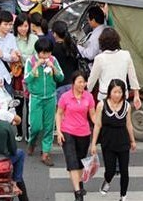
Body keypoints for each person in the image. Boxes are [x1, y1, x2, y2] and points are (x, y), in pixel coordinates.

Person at [89, 79, 137, 200]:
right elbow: (98, 125)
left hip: (123, 141)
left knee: (124, 171)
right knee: (110, 170)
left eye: (120, 92)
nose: (117, 95)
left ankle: (123, 196)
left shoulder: (126, 106)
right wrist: (93, 143)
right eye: (115, 92)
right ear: (110, 92)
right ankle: (107, 180)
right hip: (108, 142)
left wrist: (132, 141)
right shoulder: (101, 105)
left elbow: (129, 124)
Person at [56, 71, 96, 201]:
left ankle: (79, 183)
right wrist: (59, 131)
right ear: (73, 83)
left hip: (84, 133)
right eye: (79, 82)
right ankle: (78, 193)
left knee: (80, 162)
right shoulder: (65, 97)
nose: (82, 84)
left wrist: (101, 126)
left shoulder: (89, 97)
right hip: (68, 131)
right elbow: (59, 114)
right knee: (72, 162)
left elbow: (93, 115)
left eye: (84, 82)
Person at [25, 36, 63, 166]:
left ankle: (46, 153)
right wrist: (36, 67)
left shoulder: (53, 60)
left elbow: (60, 77)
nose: (45, 55)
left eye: (48, 52)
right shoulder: (30, 61)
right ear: (38, 52)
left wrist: (53, 68)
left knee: (48, 127)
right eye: (42, 52)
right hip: (36, 98)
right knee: (35, 126)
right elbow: (27, 80)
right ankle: (32, 142)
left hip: (50, 98)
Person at [86, 27, 142, 106]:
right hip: (121, 95)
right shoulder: (126, 55)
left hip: (105, 96)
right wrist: (136, 95)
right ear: (118, 41)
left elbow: (92, 80)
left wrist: (85, 93)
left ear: (101, 42)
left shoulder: (99, 58)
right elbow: (133, 77)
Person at [51, 20, 80, 94]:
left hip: (60, 84)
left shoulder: (54, 50)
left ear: (55, 34)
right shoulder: (72, 46)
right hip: (73, 83)